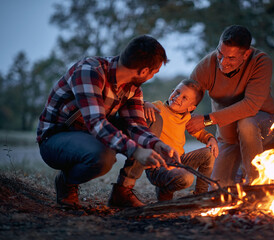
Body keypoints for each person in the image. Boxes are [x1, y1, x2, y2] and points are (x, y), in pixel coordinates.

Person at [37, 35, 180, 208]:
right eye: (153, 72)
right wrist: (136, 151)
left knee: (152, 119)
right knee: (103, 157)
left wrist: (156, 144)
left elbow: (136, 124)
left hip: (91, 133)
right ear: (143, 71)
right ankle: (66, 182)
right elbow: (96, 123)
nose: (152, 76)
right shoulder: (90, 71)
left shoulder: (132, 87)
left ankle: (122, 191)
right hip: (57, 138)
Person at [186, 25, 274, 187]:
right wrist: (163, 109)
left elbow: (250, 106)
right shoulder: (207, 66)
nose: (223, 62)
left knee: (246, 124)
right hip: (228, 137)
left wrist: (207, 120)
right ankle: (237, 178)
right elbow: (186, 95)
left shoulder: (261, 62)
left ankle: (255, 184)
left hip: (262, 125)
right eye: (220, 54)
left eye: (231, 58)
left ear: (246, 54)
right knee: (216, 190)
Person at [143, 79, 218, 201]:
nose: (177, 98)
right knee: (187, 179)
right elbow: (136, 109)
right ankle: (165, 190)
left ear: (191, 107)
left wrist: (210, 138)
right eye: (177, 92)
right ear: (172, 91)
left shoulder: (187, 118)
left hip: (179, 161)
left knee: (209, 154)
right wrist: (144, 103)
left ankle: (200, 195)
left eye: (184, 98)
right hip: (158, 164)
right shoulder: (158, 108)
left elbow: (199, 133)